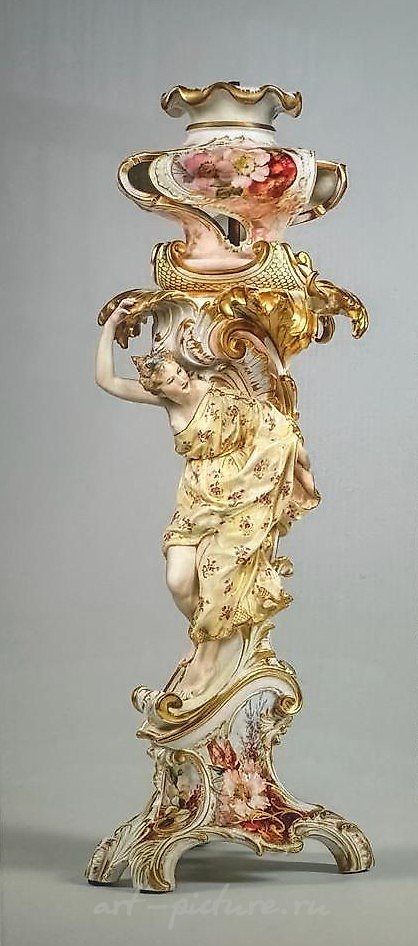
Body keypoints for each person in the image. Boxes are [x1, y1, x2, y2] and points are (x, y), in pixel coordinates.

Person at [95, 297, 320, 699]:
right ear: (160, 388)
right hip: (195, 502)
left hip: (238, 491)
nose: (183, 380)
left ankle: (210, 655)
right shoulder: (166, 403)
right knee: (179, 580)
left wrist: (297, 455)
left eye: (181, 372)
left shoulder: (215, 391)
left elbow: (266, 421)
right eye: (173, 380)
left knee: (217, 570)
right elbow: (107, 381)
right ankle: (203, 635)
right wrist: (110, 327)